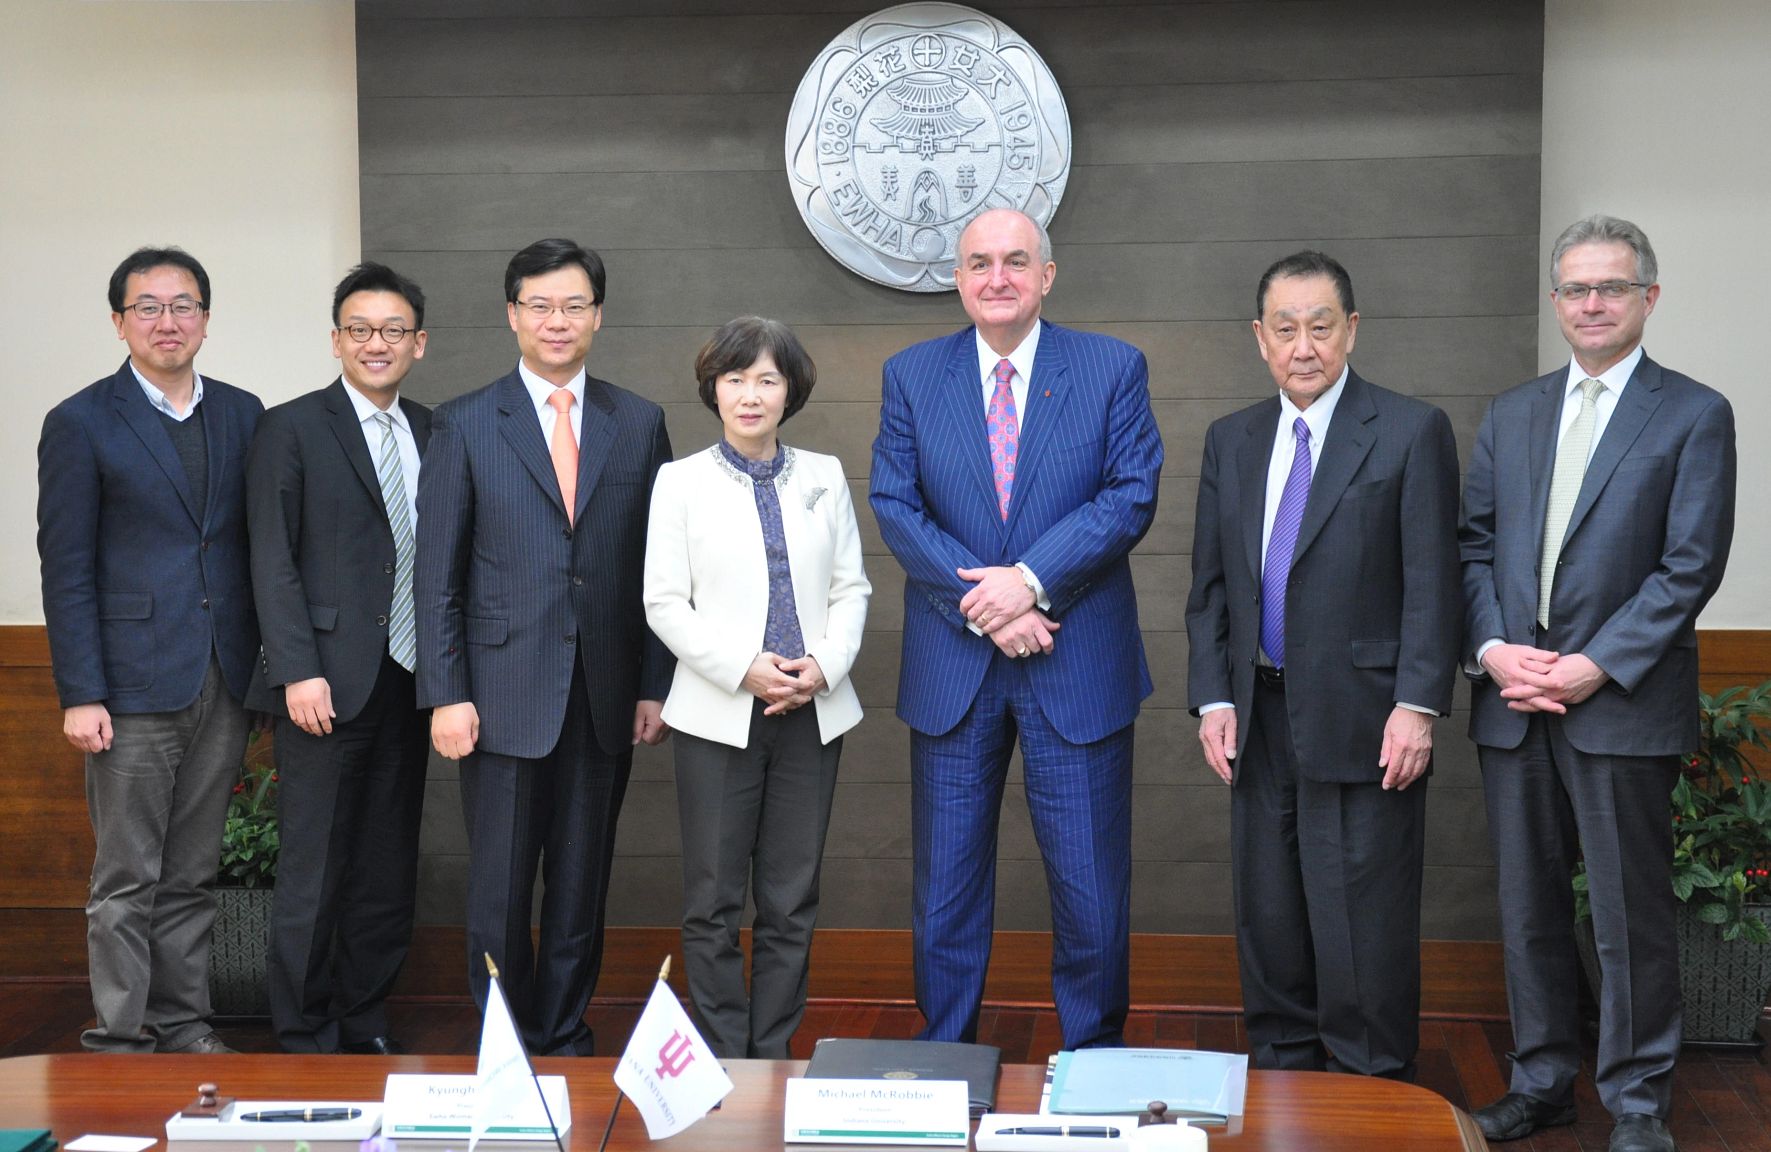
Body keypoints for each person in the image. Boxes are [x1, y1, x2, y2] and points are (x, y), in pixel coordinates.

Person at [1462, 215, 1735, 1152]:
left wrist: (1592, 665)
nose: (1590, 303)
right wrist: (1495, 651)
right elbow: (1472, 549)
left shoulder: (1695, 414)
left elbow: (1688, 567)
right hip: (1512, 702)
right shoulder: (1511, 412)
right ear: (1555, 301)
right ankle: (1540, 1084)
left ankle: (1636, 1104)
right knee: (1528, 910)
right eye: (1574, 288)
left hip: (1617, 705)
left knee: (1629, 917)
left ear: (1646, 298)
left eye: (1610, 288)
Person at [869, 208, 1162, 1049]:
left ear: (1047, 274)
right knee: (946, 886)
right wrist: (990, 607)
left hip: (1075, 662)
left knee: (1090, 886)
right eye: (978, 263)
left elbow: (1129, 493)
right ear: (958, 279)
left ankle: (1093, 1057)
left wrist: (1030, 583)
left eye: (1014, 261)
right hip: (955, 666)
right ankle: (945, 1057)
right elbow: (894, 503)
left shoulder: (1111, 368)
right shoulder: (910, 375)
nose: (996, 277)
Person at [1184, 251, 1461, 1079]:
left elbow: (1432, 584)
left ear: (1351, 329)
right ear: (1259, 338)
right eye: (1284, 328)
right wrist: (1210, 699)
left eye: (1320, 325)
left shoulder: (1409, 430)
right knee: (1267, 909)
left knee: (1361, 916)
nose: (1302, 345)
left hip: (1368, 716)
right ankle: (1282, 1071)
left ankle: (1369, 1081)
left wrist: (1418, 704)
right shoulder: (1231, 439)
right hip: (1255, 713)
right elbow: (1209, 589)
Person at [414, 237, 674, 1055]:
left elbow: (658, 569)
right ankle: (503, 1045)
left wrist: (652, 685)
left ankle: (562, 1033)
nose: (556, 321)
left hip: (602, 695)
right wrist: (445, 693)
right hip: (496, 696)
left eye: (573, 306)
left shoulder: (637, 423)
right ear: (511, 315)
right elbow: (436, 576)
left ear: (597, 315)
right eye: (539, 305)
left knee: (578, 883)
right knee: (496, 889)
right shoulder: (462, 422)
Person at [37, 246, 262, 1054]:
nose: (168, 321)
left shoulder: (242, 413)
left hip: (223, 673)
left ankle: (184, 1025)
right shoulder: (81, 421)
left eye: (184, 305)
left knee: (192, 873)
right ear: (119, 321)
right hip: (127, 685)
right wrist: (80, 691)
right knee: (127, 876)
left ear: (206, 315)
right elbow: (65, 568)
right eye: (149, 307)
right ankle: (123, 1040)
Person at [643, 316, 870, 1058]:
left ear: (789, 390)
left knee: (791, 900)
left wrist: (823, 666)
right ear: (713, 387)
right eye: (735, 378)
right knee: (712, 903)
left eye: (767, 379)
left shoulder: (824, 476)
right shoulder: (678, 482)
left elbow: (851, 588)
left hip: (811, 713)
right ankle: (723, 1054)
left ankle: (769, 1054)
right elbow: (663, 602)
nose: (750, 394)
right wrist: (741, 666)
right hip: (717, 715)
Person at [245, 262, 434, 1055]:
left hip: (413, 677)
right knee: (314, 871)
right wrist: (296, 668)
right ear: (335, 340)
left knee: (386, 868)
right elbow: (270, 557)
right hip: (322, 681)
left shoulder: (434, 429)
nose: (376, 343)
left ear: (418, 343)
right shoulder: (290, 427)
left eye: (393, 330)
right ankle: (302, 1028)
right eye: (359, 329)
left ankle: (363, 1016)